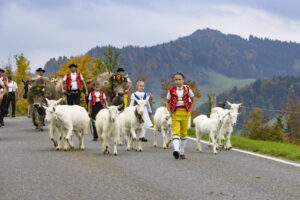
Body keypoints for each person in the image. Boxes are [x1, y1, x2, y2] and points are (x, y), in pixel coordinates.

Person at [166, 72, 196, 159]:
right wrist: (169, 111)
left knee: (183, 132)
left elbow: (193, 99)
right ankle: (176, 150)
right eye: (176, 80)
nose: (178, 81)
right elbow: (167, 101)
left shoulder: (187, 89)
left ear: (183, 80)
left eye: (179, 79)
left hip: (185, 112)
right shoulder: (171, 90)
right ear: (173, 81)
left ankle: (182, 151)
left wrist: (191, 109)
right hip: (175, 112)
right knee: (176, 131)